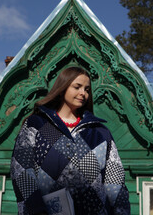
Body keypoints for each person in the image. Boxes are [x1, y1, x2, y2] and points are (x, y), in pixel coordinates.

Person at [11, 67, 130, 215]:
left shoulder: (100, 133)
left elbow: (115, 182)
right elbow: (21, 169)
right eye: (77, 87)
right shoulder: (37, 124)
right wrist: (36, 210)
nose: (83, 93)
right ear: (62, 88)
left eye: (87, 89)